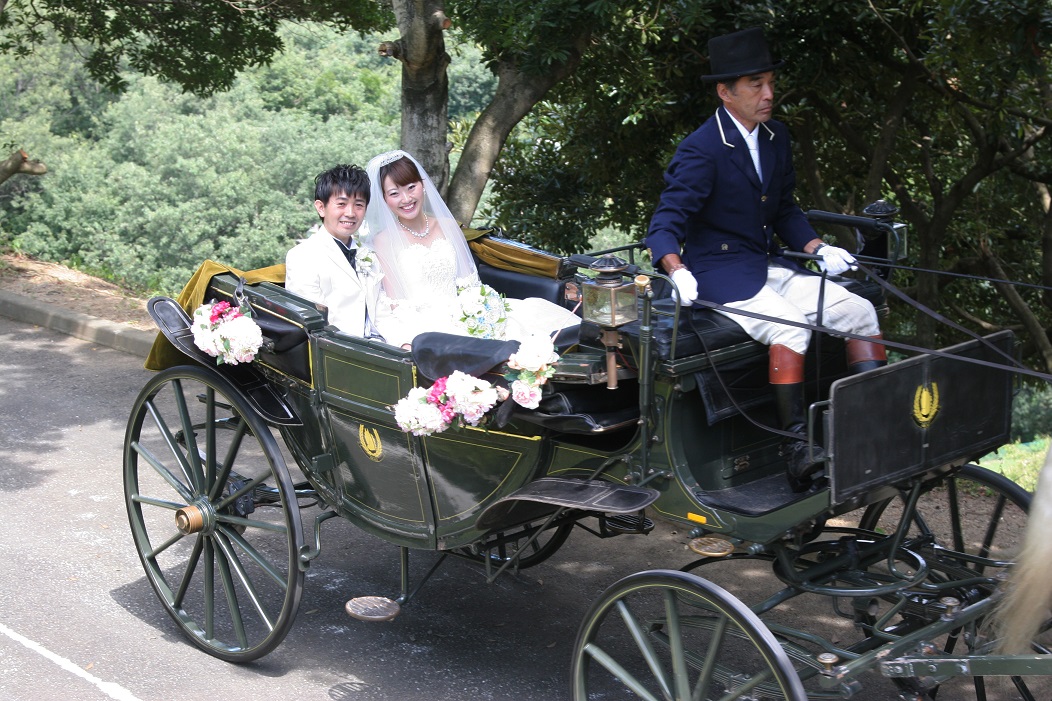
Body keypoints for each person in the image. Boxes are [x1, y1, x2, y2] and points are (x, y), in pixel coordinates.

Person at [645, 27, 886, 492]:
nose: (769, 94)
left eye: (771, 82)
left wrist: (817, 248)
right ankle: (795, 446)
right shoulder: (702, 148)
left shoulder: (776, 136)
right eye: (756, 85)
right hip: (718, 275)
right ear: (725, 91)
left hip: (768, 264)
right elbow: (665, 221)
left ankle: (868, 427)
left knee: (860, 311)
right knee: (791, 326)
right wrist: (675, 269)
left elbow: (785, 210)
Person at [363, 149, 580, 349]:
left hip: (467, 312)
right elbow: (395, 305)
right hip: (424, 324)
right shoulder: (383, 242)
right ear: (384, 200)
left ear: (423, 185)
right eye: (394, 193)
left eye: (411, 187)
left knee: (542, 332)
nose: (406, 199)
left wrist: (479, 310)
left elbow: (471, 285)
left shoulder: (448, 226)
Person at [285, 164, 387, 338]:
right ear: (320, 207)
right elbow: (313, 323)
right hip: (335, 352)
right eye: (341, 204)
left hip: (382, 345)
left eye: (359, 205)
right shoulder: (302, 256)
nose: (351, 213)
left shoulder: (369, 254)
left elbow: (381, 309)